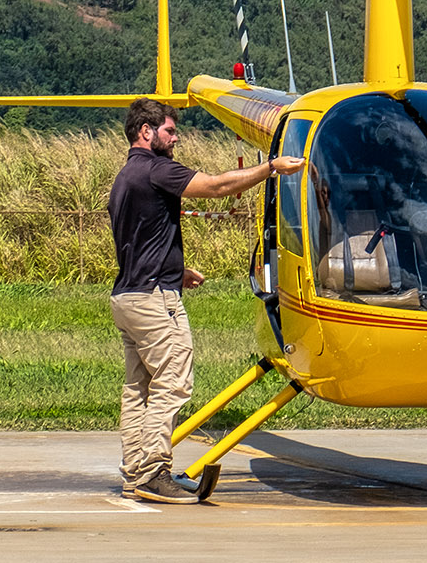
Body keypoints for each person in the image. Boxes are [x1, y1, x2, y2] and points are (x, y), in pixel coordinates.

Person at [110, 98, 304, 503]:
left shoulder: (124, 178)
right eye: (169, 130)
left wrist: (175, 270)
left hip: (128, 295)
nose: (175, 138)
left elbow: (136, 239)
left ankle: (135, 472)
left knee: (138, 389)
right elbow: (215, 187)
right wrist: (270, 168)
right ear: (146, 132)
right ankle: (152, 473)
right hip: (153, 300)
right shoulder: (156, 170)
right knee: (173, 384)